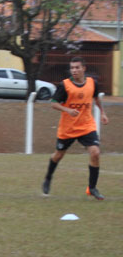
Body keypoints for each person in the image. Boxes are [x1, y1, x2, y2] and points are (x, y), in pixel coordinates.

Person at [41, 55, 109, 199]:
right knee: (58, 155)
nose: (74, 70)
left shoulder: (92, 83)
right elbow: (53, 103)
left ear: (84, 68)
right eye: (72, 68)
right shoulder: (64, 85)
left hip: (86, 126)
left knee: (95, 153)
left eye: (77, 67)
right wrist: (68, 110)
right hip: (68, 128)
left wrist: (103, 113)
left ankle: (92, 188)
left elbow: (96, 98)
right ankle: (48, 178)